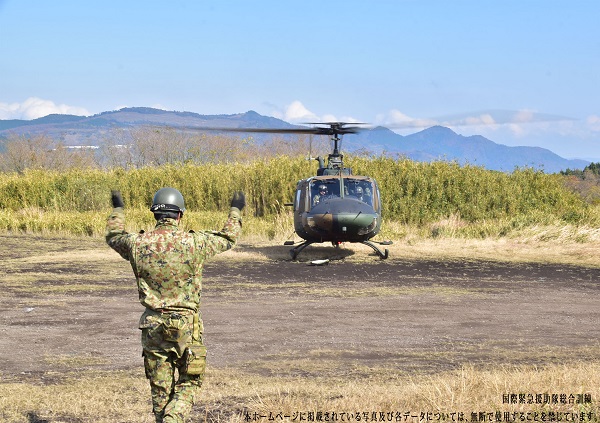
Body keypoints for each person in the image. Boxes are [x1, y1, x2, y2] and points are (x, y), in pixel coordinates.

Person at [105, 187, 244, 423]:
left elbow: (113, 236)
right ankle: (174, 417)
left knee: (160, 392)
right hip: (186, 326)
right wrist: (235, 211)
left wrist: (118, 209)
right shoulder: (194, 242)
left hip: (153, 326)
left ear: (155, 215)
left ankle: (166, 418)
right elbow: (229, 236)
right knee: (190, 380)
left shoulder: (137, 244)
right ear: (179, 215)